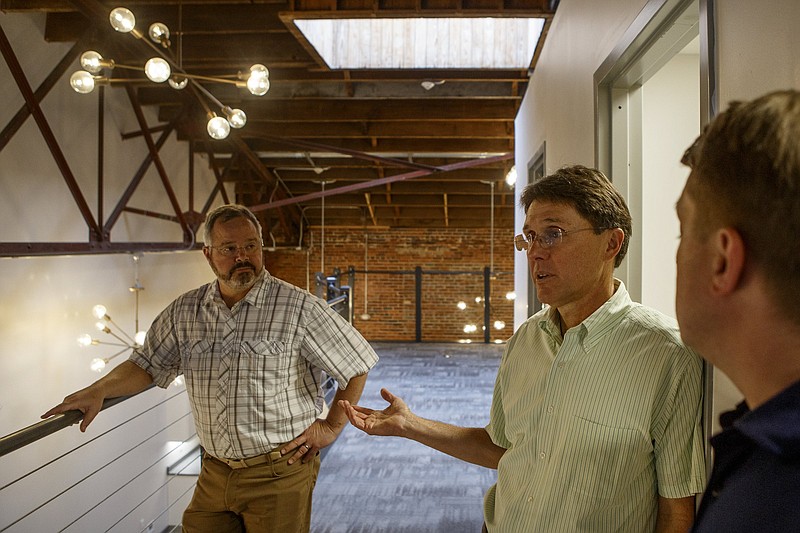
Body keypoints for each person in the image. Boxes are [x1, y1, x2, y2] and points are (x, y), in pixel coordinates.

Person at [341, 165, 705, 532]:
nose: (534, 253)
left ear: (611, 243)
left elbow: (675, 507)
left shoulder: (667, 353)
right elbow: (503, 448)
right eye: (529, 237)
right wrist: (410, 424)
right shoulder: (527, 338)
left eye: (553, 234)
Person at [42, 204, 379, 533]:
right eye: (229, 248)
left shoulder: (297, 307)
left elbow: (356, 363)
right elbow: (146, 365)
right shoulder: (186, 311)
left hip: (280, 472)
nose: (242, 256)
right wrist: (99, 389)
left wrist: (331, 427)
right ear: (207, 254)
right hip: (214, 472)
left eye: (250, 246)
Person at [675, 89, 800, 532]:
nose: (677, 255)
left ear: (723, 260)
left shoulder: (773, 504)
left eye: (683, 232)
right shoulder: (760, 445)